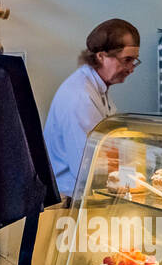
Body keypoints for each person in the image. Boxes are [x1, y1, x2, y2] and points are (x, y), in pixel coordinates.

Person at [44, 19, 141, 197]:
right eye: (127, 60)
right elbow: (87, 166)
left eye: (134, 61)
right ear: (101, 56)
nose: (131, 68)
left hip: (86, 191)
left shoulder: (97, 87)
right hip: (71, 198)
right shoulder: (80, 96)